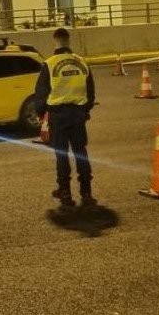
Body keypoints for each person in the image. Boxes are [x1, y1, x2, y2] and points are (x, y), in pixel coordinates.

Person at [34, 28, 96, 208]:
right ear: (68, 40)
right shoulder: (81, 62)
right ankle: (86, 191)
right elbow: (90, 90)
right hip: (78, 114)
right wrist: (85, 109)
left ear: (54, 41)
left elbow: (41, 93)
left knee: (61, 154)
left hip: (58, 115)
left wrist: (41, 114)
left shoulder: (49, 64)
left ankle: (65, 191)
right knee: (81, 152)